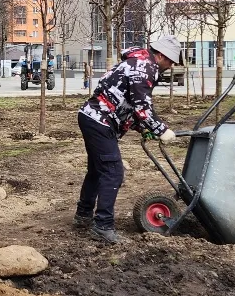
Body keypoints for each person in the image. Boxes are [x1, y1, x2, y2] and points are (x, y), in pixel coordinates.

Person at [75, 36, 182, 244]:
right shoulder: (144, 67)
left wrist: (143, 128)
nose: (171, 66)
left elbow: (127, 104)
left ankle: (83, 215)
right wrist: (161, 130)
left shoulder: (138, 62)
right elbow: (142, 107)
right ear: (161, 55)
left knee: (98, 170)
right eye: (170, 61)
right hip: (100, 120)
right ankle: (102, 226)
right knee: (113, 173)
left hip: (92, 117)